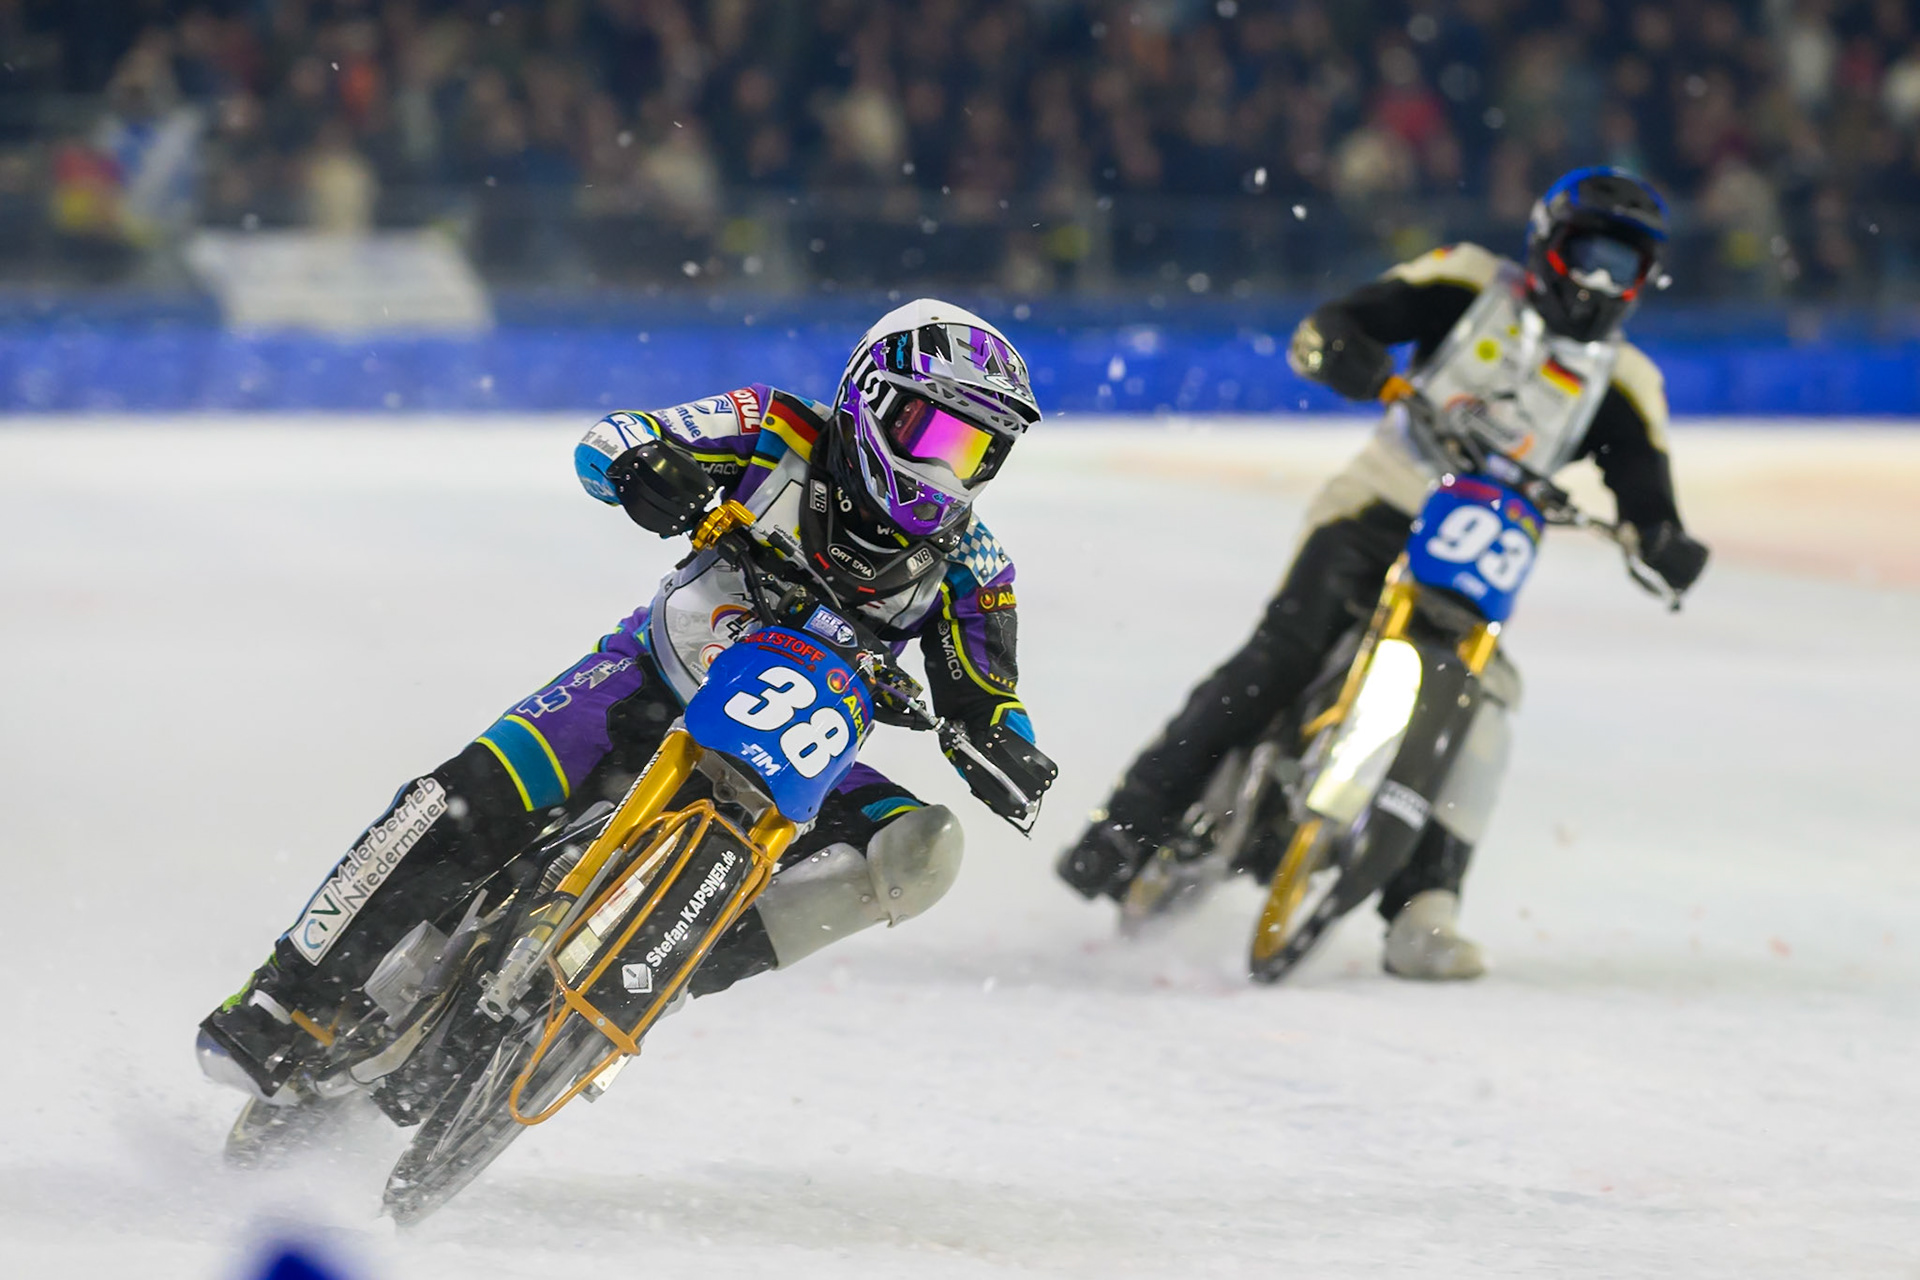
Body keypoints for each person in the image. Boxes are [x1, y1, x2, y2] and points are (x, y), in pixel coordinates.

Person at [199, 299, 1057, 1105]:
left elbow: (988, 694)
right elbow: (617, 437)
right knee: (468, 796)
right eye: (940, 432)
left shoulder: (974, 566)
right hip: (650, 678)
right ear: (874, 400)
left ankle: (672, 963)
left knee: (920, 851)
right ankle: (290, 993)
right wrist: (644, 467)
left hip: (805, 750)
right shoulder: (775, 428)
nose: (950, 468)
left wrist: (1008, 747)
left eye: (977, 451)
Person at [1057, 168, 1710, 980]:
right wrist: (1355, 359)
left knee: (1488, 704)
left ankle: (1425, 913)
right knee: (1285, 651)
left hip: (1479, 556)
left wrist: (1665, 542)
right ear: (1549, 245)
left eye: (1625, 265)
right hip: (1378, 507)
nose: (1601, 282)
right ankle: (1126, 825)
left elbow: (1650, 497)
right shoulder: (1467, 280)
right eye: (1591, 255)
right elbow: (1342, 324)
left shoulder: (1627, 382)